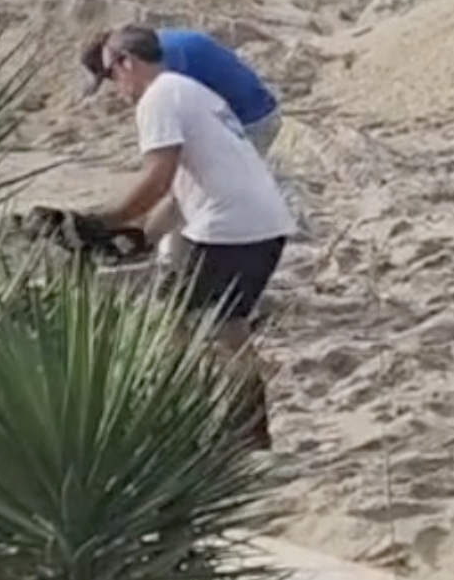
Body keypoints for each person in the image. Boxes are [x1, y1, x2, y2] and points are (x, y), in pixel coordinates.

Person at [79, 24, 299, 447]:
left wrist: (100, 223)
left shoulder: (157, 98)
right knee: (225, 326)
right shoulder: (189, 89)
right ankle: (250, 437)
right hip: (264, 223)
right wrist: (140, 237)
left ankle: (184, 430)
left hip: (228, 227)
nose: (115, 90)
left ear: (127, 62)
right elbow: (179, 195)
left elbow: (157, 179)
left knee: (181, 326)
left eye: (111, 75)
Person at [82, 24, 283, 156]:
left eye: (112, 75)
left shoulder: (167, 65)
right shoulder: (155, 46)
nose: (116, 83)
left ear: (125, 61)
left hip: (251, 118)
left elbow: (175, 123)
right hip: (255, 105)